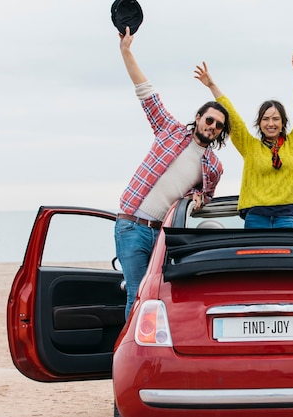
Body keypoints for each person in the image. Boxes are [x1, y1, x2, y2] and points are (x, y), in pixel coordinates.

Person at [115, 27, 231, 319]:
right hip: (132, 225)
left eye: (218, 125)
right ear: (198, 118)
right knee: (137, 292)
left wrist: (197, 199)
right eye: (209, 120)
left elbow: (203, 199)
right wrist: (126, 52)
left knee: (159, 295)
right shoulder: (170, 131)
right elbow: (146, 93)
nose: (212, 127)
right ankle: (127, 359)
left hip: (164, 235)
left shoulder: (213, 166)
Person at [194, 50, 293, 228]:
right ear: (259, 123)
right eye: (265, 119)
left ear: (283, 123)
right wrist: (212, 85)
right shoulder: (249, 146)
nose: (270, 123)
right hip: (256, 216)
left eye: (275, 119)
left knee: (286, 256)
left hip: (287, 215)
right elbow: (232, 117)